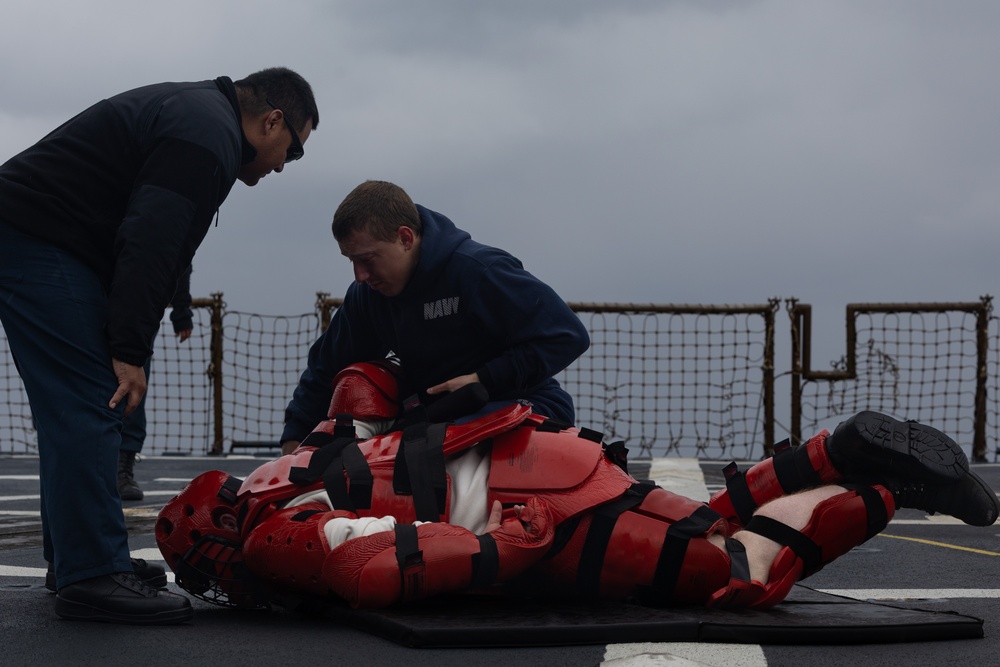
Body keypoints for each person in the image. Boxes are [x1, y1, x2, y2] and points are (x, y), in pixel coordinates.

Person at [156, 362, 999, 611]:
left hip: (535, 508)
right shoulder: (292, 457)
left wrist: (501, 549)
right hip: (538, 454)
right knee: (705, 522)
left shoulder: (269, 535)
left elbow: (381, 567)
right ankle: (837, 449)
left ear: (218, 542)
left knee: (728, 574)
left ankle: (886, 487)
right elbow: (362, 387)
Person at [0, 67, 319, 625]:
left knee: (78, 405)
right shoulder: (206, 135)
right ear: (273, 121)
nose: (280, 167)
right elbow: (152, 239)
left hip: (42, 236)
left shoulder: (203, 120)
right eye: (291, 152)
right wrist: (128, 349)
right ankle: (92, 573)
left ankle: (80, 559)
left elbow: (158, 243)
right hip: (37, 237)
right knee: (94, 400)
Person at [279, 180, 590, 455]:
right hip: (436, 421)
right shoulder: (368, 296)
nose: (359, 275)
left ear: (405, 238)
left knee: (435, 451)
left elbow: (567, 335)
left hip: (519, 404)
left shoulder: (477, 271)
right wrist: (295, 440)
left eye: (367, 259)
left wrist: (484, 378)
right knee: (367, 451)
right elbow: (326, 367)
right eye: (350, 261)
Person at [118, 265, 195, 501]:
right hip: (90, 289)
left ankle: (122, 467)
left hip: (137, 301)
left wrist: (181, 310)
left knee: (132, 385)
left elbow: (179, 250)